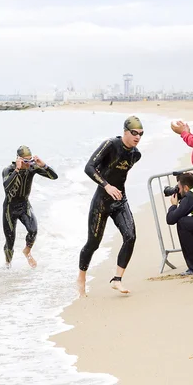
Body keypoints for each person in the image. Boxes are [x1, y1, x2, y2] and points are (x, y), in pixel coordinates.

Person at [77, 116, 143, 297]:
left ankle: (117, 279)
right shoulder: (110, 145)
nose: (138, 137)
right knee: (93, 243)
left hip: (120, 200)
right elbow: (89, 167)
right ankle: (81, 278)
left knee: (130, 236)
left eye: (141, 134)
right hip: (101, 201)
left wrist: (115, 188)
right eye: (134, 133)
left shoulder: (135, 155)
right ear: (125, 132)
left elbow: (120, 175)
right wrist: (106, 185)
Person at [2, 145, 58, 268]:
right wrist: (17, 169)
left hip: (24, 205)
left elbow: (54, 176)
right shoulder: (8, 170)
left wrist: (44, 165)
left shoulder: (32, 168)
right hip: (9, 208)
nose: (29, 163)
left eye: (30, 160)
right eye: (25, 161)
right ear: (19, 159)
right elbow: (7, 187)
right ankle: (7, 265)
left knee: (33, 230)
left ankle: (27, 250)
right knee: (10, 241)